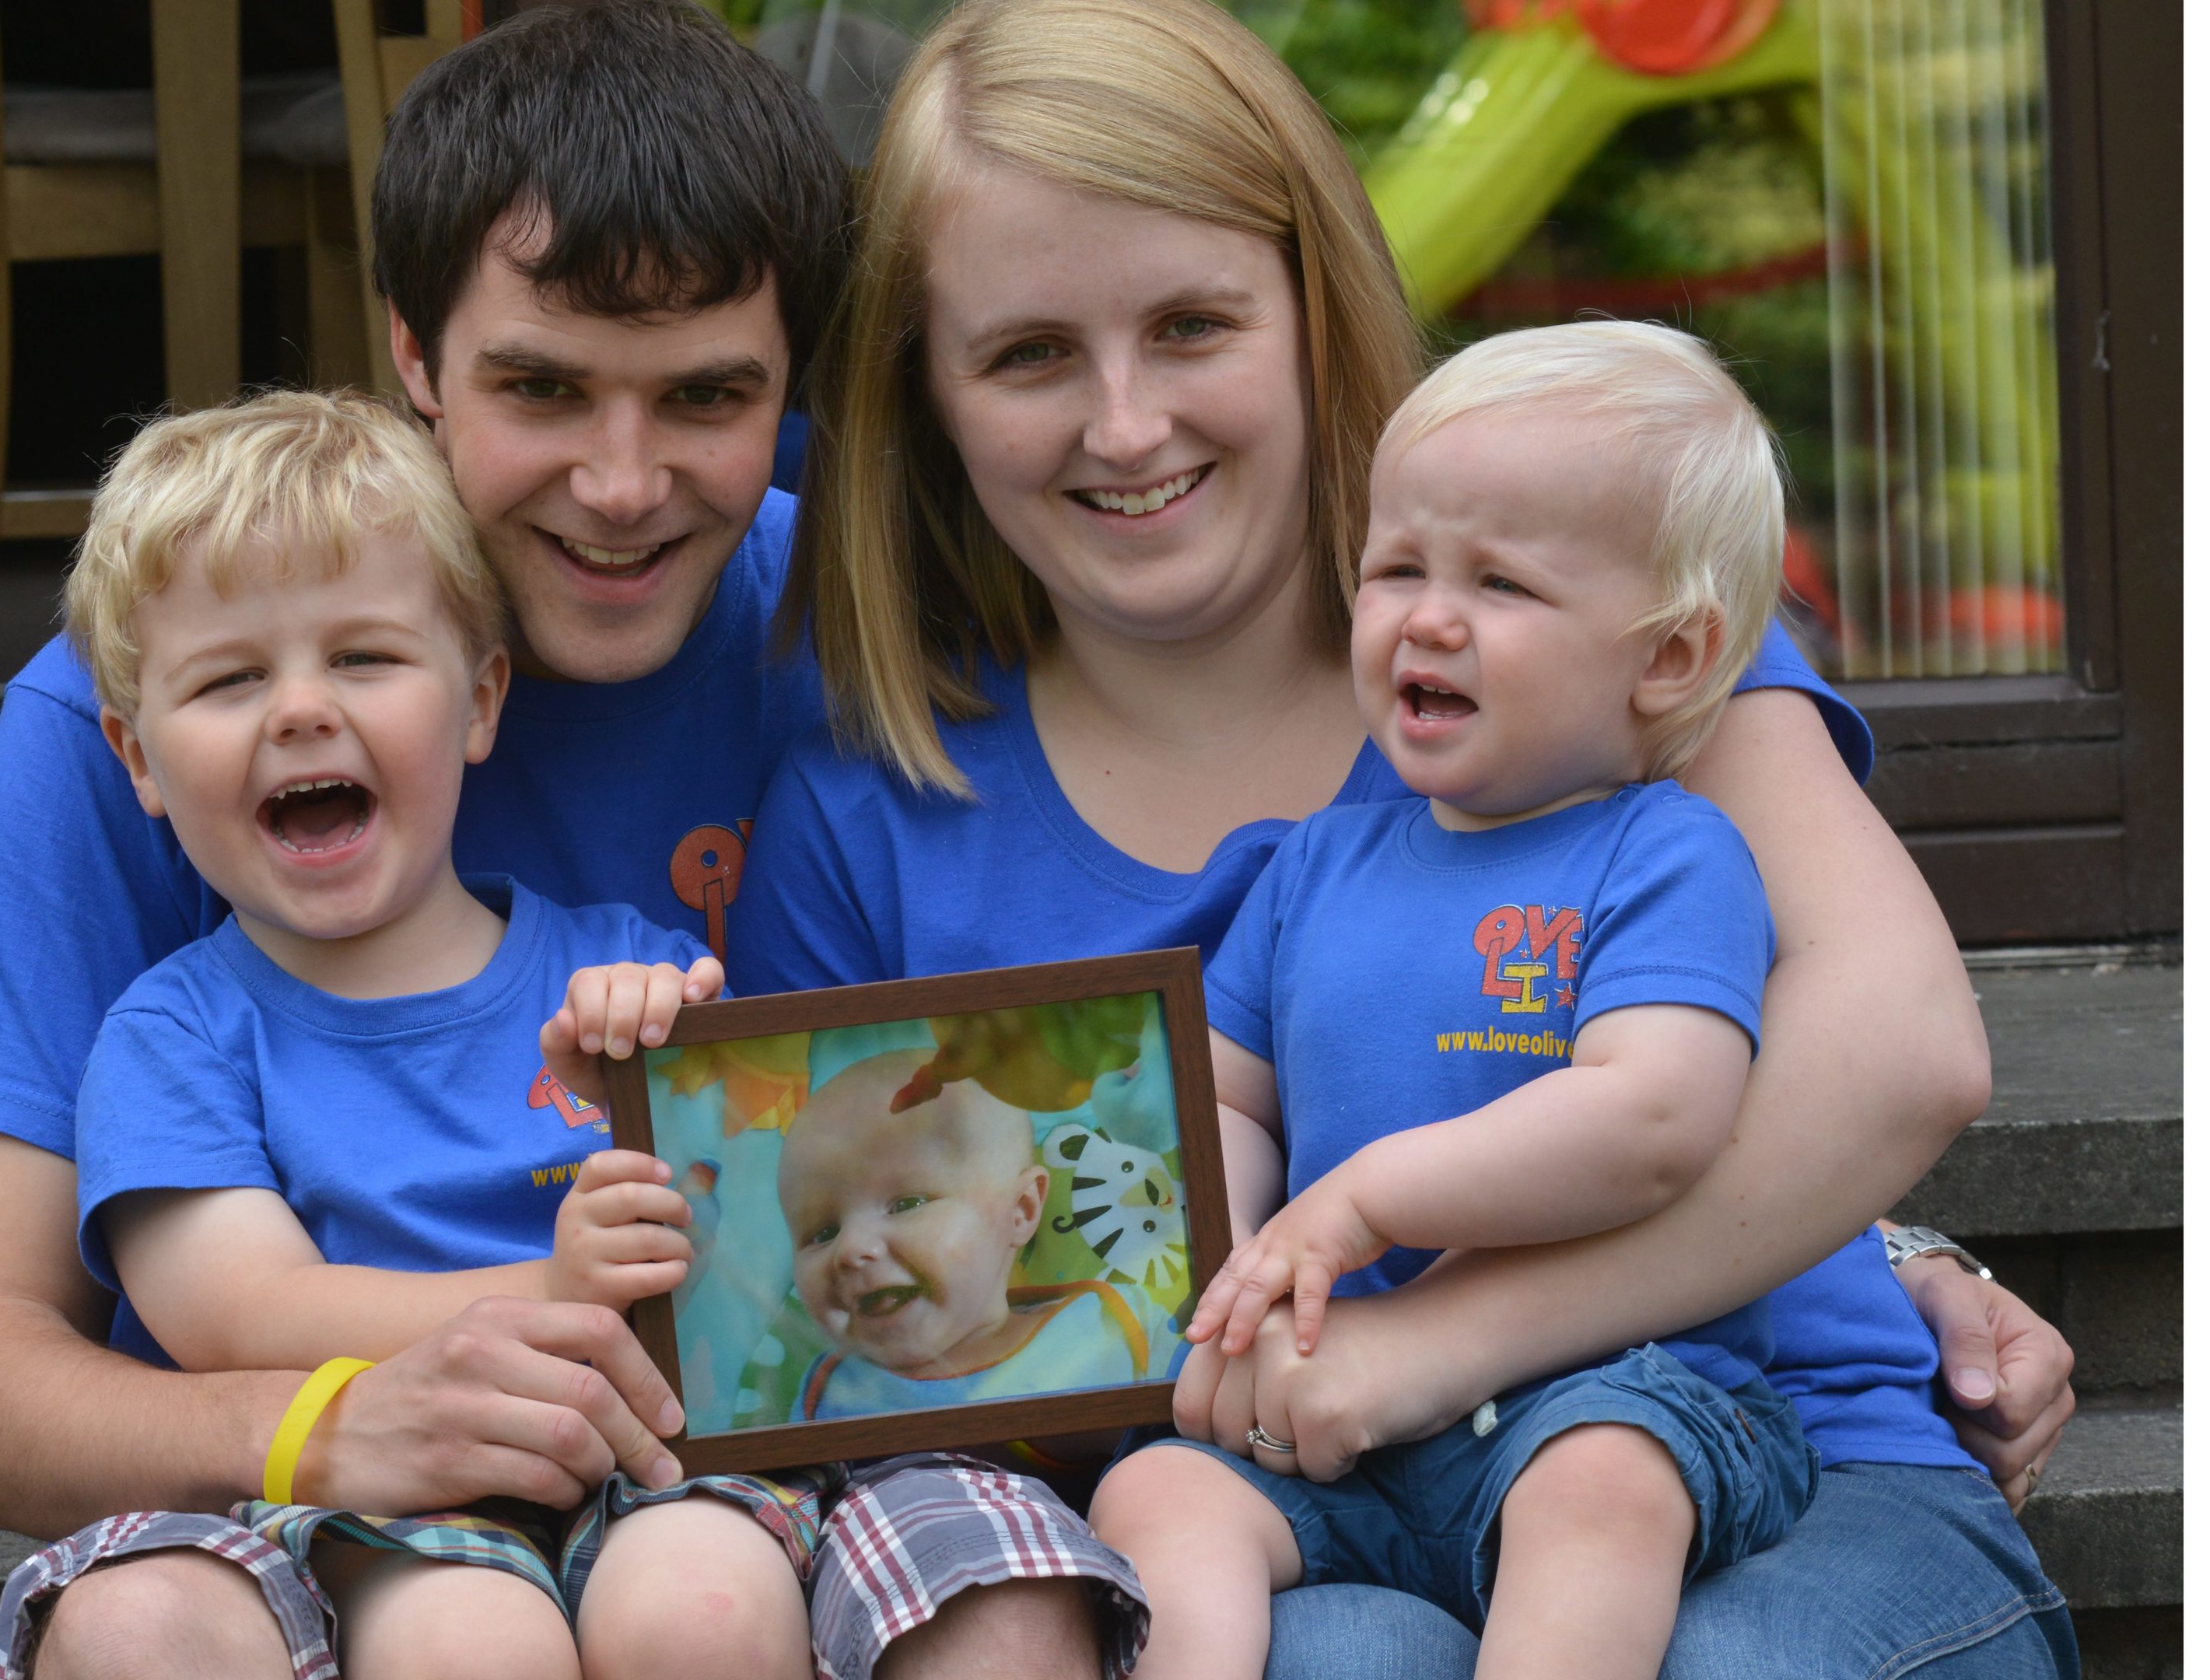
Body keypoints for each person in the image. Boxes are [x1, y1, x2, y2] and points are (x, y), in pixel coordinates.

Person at [727, 0, 2079, 1673]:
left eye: (1191, 324)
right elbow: (827, 1316)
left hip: (1770, 1455)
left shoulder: (1587, 631)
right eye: (1026, 355)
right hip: (1295, 1500)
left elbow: (1895, 1054)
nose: (1126, 422)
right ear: (923, 396)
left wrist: (1438, 1339)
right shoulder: (870, 814)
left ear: (1311, 309)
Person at [0, 8, 870, 1678]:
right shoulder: (154, 705)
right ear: (412, 355)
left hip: (718, 1481)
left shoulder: (859, 634)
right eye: (539, 388)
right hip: (310, 1492)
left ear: (789, 390)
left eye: (704, 397)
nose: (620, 486)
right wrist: (336, 1434)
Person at [0, 387, 839, 1679]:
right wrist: (545, 1297)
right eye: (228, 679)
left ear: (480, 699)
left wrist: (678, 1074)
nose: (298, 711)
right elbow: (244, 1311)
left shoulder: (629, 965)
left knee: (708, 1609)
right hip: (387, 1493)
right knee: (468, 1645)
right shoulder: (172, 1035)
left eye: (364, 659)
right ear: (137, 761)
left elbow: (778, 1220)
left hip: (659, 1455)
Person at [1094, 323, 1820, 1678]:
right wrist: (1235, 1270)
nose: (1426, 616)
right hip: (1332, 1421)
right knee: (1154, 1494)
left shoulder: (1664, 854)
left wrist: (1369, 1198)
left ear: (1663, 659)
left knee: (1598, 1488)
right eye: (1396, 570)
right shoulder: (1312, 863)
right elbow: (1219, 1097)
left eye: (1496, 583)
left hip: (1610, 1386)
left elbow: (1653, 1115)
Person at [775, 1033, 1178, 1420]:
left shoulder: (1111, 1326)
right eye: (823, 1233)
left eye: (906, 1204)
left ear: (1020, 1209)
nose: (850, 1248)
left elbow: (1208, 1418)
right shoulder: (832, 1395)